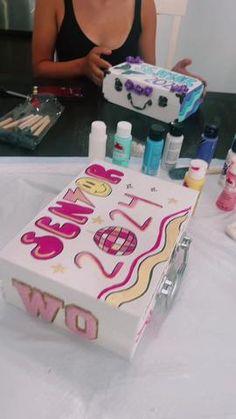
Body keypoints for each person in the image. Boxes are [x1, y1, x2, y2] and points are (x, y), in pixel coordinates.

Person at [32, 0, 205, 87]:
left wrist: (173, 81)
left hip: (124, 120)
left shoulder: (144, 4)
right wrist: (81, 66)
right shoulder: (52, 2)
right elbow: (39, 68)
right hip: (67, 111)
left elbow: (148, 74)